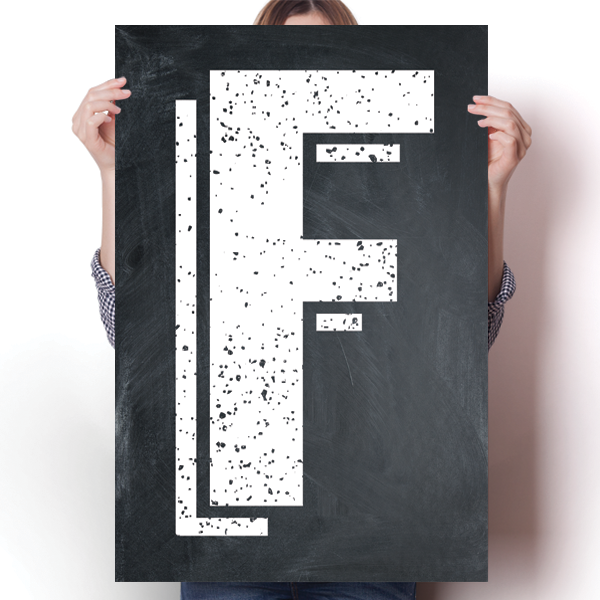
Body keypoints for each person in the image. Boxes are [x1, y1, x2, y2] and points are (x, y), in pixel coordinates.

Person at [73, 0, 531, 597]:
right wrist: (118, 172)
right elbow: (132, 332)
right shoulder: (211, 183)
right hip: (231, 525)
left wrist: (492, 188)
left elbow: (463, 344)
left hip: (374, 524)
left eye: (325, 59)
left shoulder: (402, 182)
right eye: (284, 60)